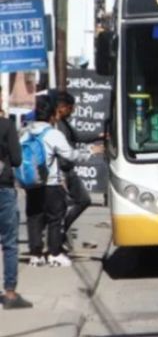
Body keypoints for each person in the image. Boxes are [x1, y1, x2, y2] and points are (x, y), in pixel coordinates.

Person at [24, 95, 96, 268]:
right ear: (51, 116)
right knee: (55, 218)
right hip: (51, 182)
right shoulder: (53, 133)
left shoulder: (26, 132)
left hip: (32, 182)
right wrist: (89, 152)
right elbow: (70, 154)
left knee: (34, 217)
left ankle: (35, 255)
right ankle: (54, 253)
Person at [50, 91, 90, 252]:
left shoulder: (65, 124)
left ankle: (61, 234)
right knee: (60, 208)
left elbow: (78, 137)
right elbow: (61, 152)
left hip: (68, 170)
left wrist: (101, 135)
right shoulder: (57, 126)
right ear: (62, 107)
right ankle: (57, 241)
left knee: (82, 201)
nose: (73, 111)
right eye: (71, 108)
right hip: (63, 171)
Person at [0, 110, 31, 308]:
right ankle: (10, 293)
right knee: (9, 242)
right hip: (3, 188)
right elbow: (17, 159)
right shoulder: (6, 125)